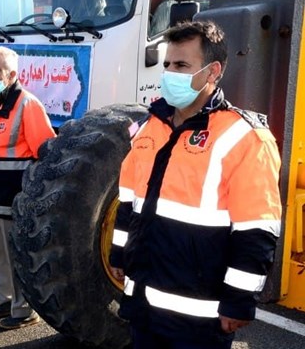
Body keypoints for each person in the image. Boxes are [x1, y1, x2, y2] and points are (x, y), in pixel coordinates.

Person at [109, 21, 282, 349]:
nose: (170, 73)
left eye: (182, 65)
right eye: (167, 65)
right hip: (143, 305)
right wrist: (119, 255)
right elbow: (129, 202)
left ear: (213, 71)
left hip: (199, 319)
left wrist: (239, 300)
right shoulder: (150, 128)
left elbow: (256, 229)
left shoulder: (244, 138)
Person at [0, 46, 56, 330]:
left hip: (14, 195)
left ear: (12, 74)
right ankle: (4, 299)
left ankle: (24, 309)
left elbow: (44, 150)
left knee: (16, 254)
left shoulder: (27, 104)